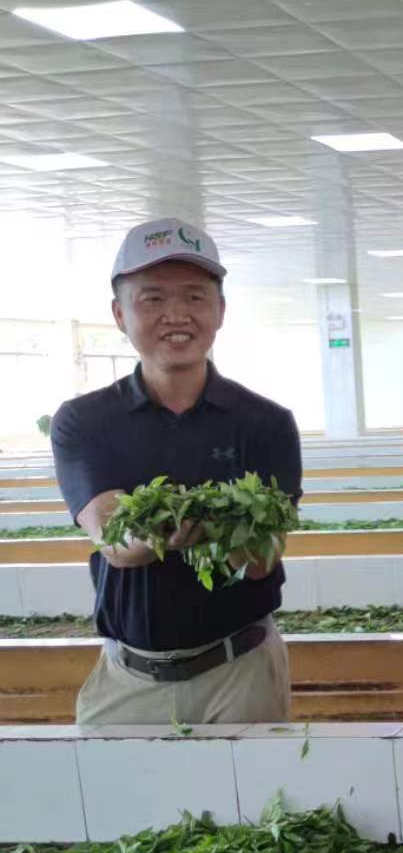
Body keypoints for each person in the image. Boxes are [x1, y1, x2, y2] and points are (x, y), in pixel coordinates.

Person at [50, 218, 300, 726]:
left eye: (194, 297)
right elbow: (115, 540)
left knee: (253, 805)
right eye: (153, 299)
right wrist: (192, 528)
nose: (176, 315)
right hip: (129, 677)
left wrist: (216, 534)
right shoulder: (84, 421)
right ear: (120, 314)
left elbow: (260, 558)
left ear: (220, 310)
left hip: (241, 671)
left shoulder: (266, 423)